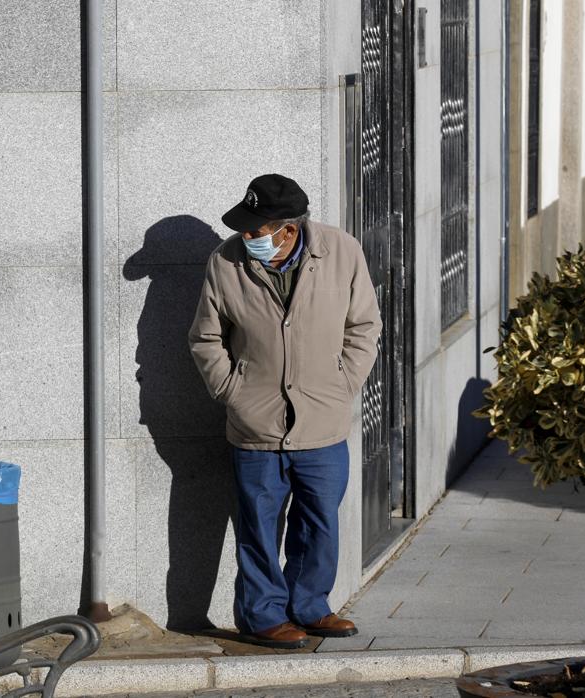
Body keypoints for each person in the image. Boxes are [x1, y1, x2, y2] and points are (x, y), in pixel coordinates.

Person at [187, 173, 382, 649]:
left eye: (257, 230)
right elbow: (205, 338)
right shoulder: (225, 263)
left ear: (288, 229)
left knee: (320, 523)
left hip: (323, 421)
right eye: (246, 229)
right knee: (257, 527)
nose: (246, 237)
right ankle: (261, 616)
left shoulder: (342, 252)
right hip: (255, 426)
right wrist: (234, 391)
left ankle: (310, 607)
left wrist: (342, 385)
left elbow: (364, 326)